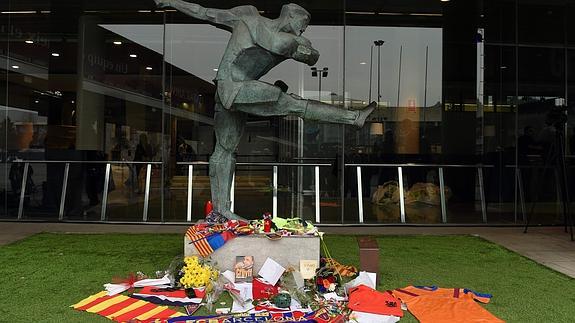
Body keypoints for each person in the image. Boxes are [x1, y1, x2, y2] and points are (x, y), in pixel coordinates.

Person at [155, 0, 376, 220]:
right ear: (290, 16)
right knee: (291, 105)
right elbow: (204, 12)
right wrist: (172, 2)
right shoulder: (251, 19)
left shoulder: (275, 32)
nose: (303, 28)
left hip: (230, 91)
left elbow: (312, 56)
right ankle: (354, 117)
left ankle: (220, 211)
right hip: (234, 88)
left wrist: (304, 49)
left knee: (224, 150)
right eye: (303, 22)